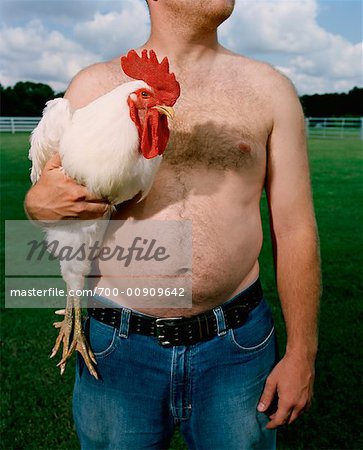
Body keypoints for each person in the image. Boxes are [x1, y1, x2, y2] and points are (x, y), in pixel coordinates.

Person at [24, 0, 321, 448]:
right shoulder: (93, 84)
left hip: (236, 343)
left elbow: (295, 228)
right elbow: (54, 201)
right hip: (119, 343)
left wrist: (303, 352)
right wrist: (36, 207)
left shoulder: (269, 89)